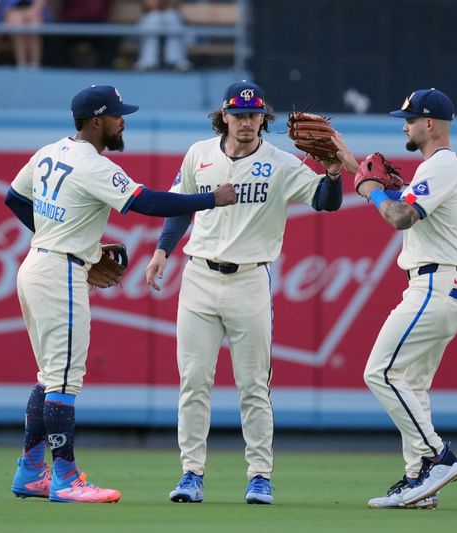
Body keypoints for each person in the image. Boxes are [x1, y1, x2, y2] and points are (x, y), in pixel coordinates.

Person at [4, 84, 237, 504]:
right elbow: (146, 201)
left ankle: (31, 471)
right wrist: (210, 199)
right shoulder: (93, 165)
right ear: (97, 121)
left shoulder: (50, 151)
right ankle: (66, 479)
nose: (122, 120)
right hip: (60, 275)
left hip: (38, 264)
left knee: (48, 376)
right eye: (116, 114)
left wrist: (62, 239)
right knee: (64, 381)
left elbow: (15, 198)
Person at [145, 81, 344, 504]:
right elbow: (181, 206)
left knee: (253, 385)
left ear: (263, 119)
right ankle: (191, 474)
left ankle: (259, 476)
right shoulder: (199, 154)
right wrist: (163, 249)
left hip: (250, 280)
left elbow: (326, 202)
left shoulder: (281, 163)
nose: (247, 122)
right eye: (239, 114)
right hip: (198, 277)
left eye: (254, 115)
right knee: (193, 383)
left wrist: (332, 172)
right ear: (225, 115)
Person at [332, 88, 457, 510]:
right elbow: (394, 197)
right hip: (446, 285)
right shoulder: (439, 169)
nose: (404, 126)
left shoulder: (442, 165)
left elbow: (399, 216)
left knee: (380, 373)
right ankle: (418, 482)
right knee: (412, 383)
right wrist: (352, 166)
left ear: (429, 124)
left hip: (435, 285)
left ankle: (439, 458)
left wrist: (373, 192)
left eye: (410, 120)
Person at [133, 0, 191, 71]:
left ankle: (176, 61)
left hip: (173, 17)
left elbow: (188, 37)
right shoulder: (149, 17)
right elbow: (136, 35)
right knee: (153, 17)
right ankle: (147, 62)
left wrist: (169, 6)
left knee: (171, 16)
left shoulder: (173, 15)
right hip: (149, 18)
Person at [0, 0, 49, 68]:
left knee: (33, 25)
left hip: (35, 10)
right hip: (12, 11)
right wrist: (10, 12)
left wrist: (34, 11)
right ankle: (21, 65)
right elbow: (4, 6)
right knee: (16, 26)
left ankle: (35, 66)